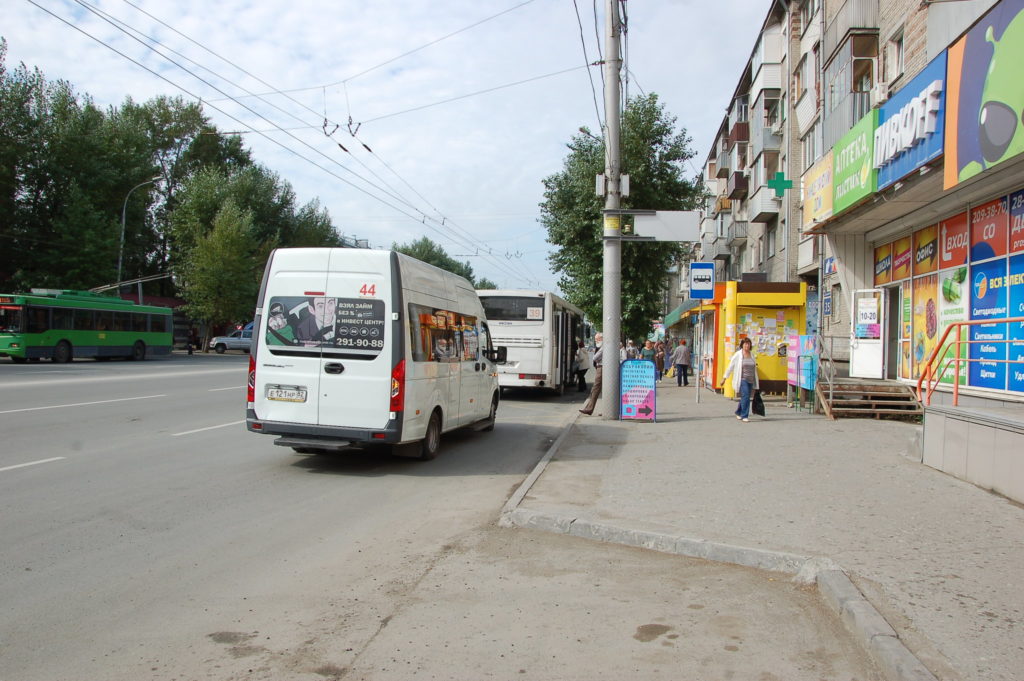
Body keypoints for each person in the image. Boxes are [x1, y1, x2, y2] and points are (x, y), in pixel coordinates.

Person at [721, 337, 759, 422]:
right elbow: (730, 366)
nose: (747, 345)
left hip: (751, 379)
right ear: (742, 345)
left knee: (745, 397)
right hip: (742, 379)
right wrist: (724, 378)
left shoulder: (752, 354)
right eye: (745, 344)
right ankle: (744, 415)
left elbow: (754, 367)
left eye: (748, 344)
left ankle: (738, 412)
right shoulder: (738, 354)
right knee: (746, 396)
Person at [580, 333, 603, 415]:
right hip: (601, 367)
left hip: (601, 368)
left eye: (597, 339)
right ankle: (589, 408)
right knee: (597, 389)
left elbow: (595, 357)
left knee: (595, 388)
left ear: (601, 339)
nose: (595, 340)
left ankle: (589, 409)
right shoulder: (601, 346)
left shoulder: (603, 347)